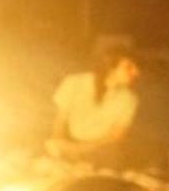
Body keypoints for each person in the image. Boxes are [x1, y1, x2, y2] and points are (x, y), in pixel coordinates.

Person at [47, 40, 142, 168]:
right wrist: (57, 141)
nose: (136, 73)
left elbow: (115, 137)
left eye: (136, 68)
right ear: (110, 67)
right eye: (129, 67)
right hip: (69, 141)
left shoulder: (129, 99)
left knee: (112, 159)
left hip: (100, 150)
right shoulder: (74, 82)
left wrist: (79, 150)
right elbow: (60, 119)